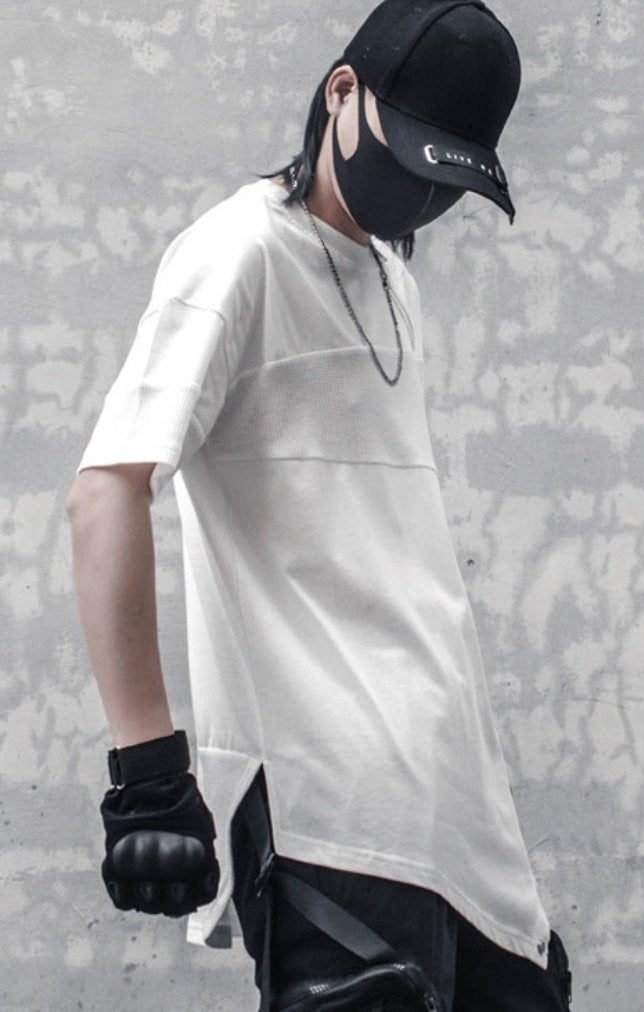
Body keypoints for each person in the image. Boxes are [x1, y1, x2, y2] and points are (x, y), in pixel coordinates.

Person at [66, 1, 573, 1010]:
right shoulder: (238, 252)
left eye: (448, 182)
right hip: (325, 799)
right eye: (408, 157)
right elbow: (105, 491)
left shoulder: (392, 279)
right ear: (342, 93)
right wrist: (148, 770)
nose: (419, 195)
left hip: (458, 807)